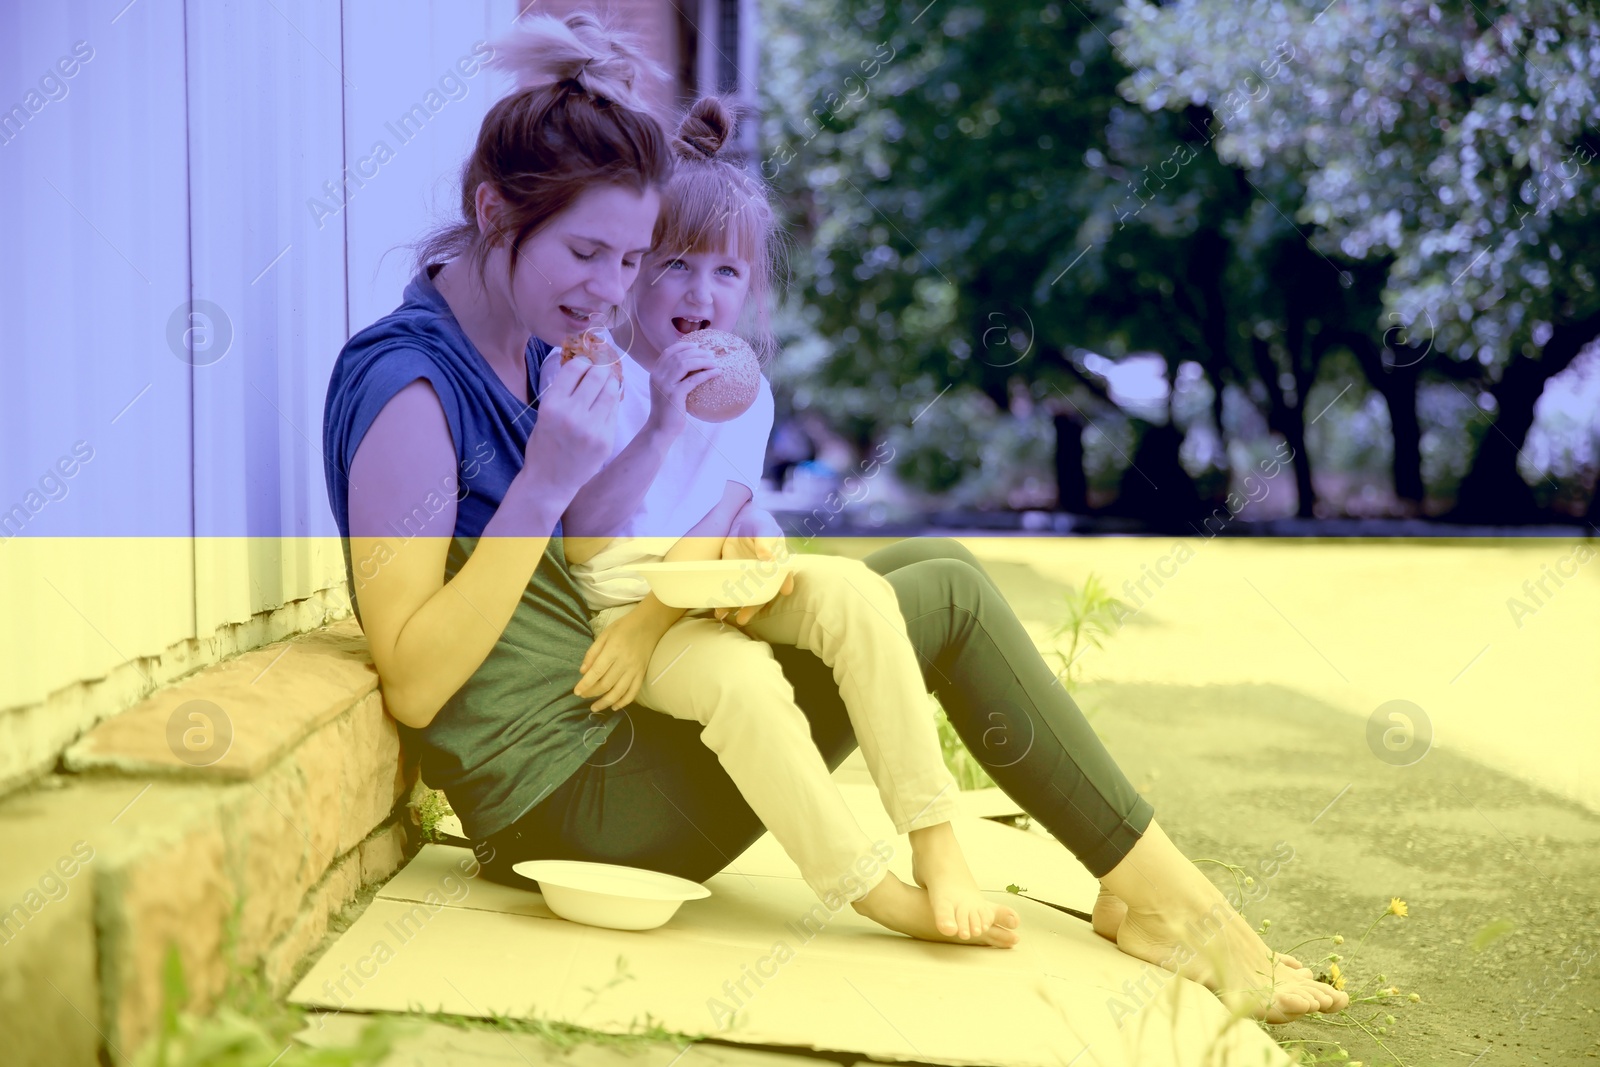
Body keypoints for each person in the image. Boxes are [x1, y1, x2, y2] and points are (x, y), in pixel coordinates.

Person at [320, 10, 1347, 1023]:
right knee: (940, 594)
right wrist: (544, 485)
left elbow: (616, 542)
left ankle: (1151, 891)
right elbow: (411, 679)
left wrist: (708, 557)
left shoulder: (545, 347)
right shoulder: (412, 387)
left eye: (631, 260)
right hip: (578, 804)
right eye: (587, 253)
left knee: (923, 570)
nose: (609, 291)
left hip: (625, 721)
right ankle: (1180, 907)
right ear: (495, 210)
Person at [558, 95, 1007, 945]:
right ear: (631, 271)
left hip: (703, 584)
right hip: (625, 603)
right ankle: (869, 889)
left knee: (859, 595)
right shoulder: (599, 373)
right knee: (745, 685)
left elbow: (725, 502)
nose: (702, 292)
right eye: (676, 265)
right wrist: (660, 426)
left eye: (727, 274)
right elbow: (586, 535)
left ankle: (935, 840)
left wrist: (742, 539)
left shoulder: (747, 392)